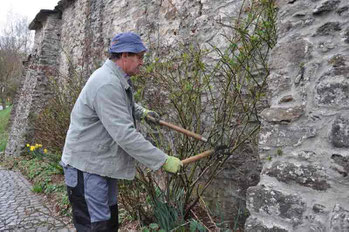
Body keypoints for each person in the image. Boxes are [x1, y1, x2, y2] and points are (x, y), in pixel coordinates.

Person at [60, 32, 182, 232]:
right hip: (86, 167)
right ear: (124, 56)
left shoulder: (115, 78)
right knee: (95, 226)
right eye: (139, 57)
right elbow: (125, 135)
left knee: (108, 222)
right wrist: (162, 160)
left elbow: (120, 104)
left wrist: (142, 112)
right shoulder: (106, 83)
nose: (142, 62)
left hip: (100, 163)